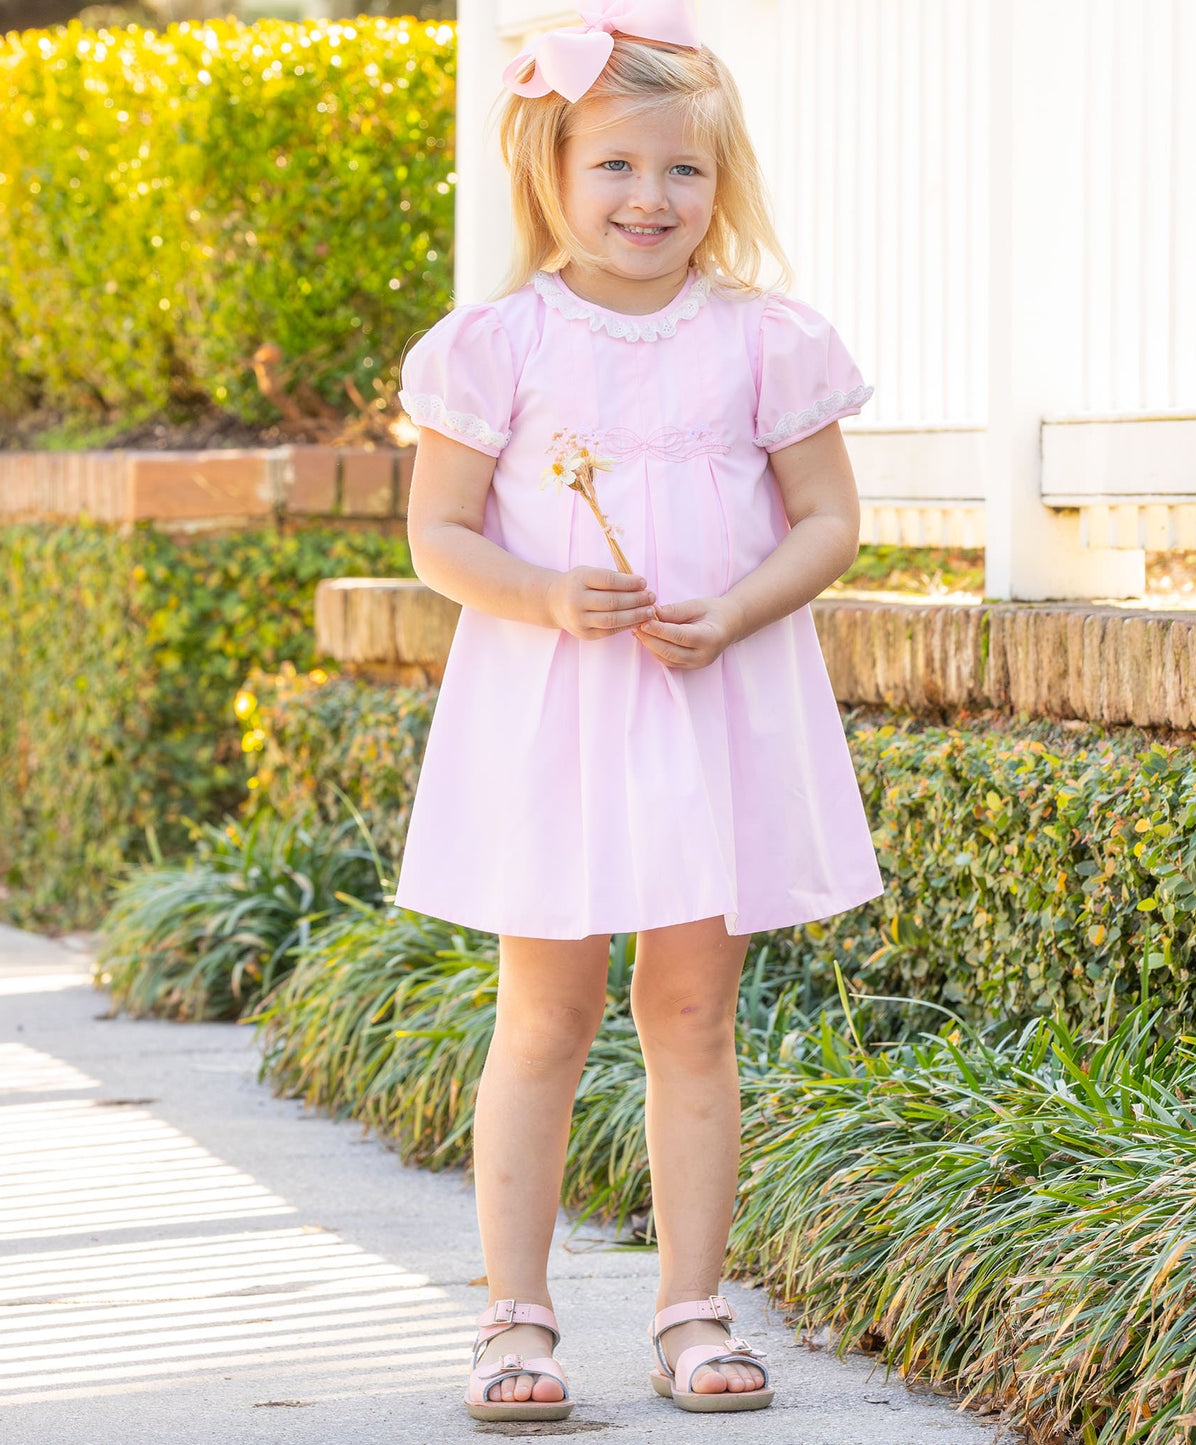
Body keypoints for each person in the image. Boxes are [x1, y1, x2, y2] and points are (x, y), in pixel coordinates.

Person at [394, 0, 884, 1422]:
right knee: (543, 1012)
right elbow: (440, 536)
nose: (649, 198)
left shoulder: (764, 341)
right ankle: (513, 1316)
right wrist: (545, 593)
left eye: (682, 171)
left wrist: (733, 609)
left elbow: (828, 518)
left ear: (720, 183)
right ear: (546, 166)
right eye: (613, 166)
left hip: (709, 706)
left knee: (690, 1008)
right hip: (559, 714)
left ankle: (691, 1306)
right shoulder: (494, 346)